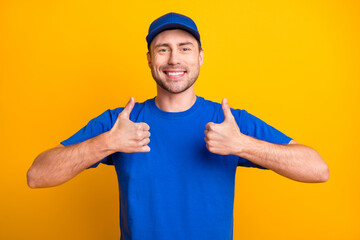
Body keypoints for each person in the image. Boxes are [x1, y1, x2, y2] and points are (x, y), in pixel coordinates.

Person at [27, 12, 329, 240]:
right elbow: (37, 176)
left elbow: (318, 170)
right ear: (149, 59)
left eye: (185, 49)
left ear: (200, 58)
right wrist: (107, 143)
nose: (174, 59)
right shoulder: (119, 123)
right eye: (163, 49)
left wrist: (242, 145)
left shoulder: (230, 124)